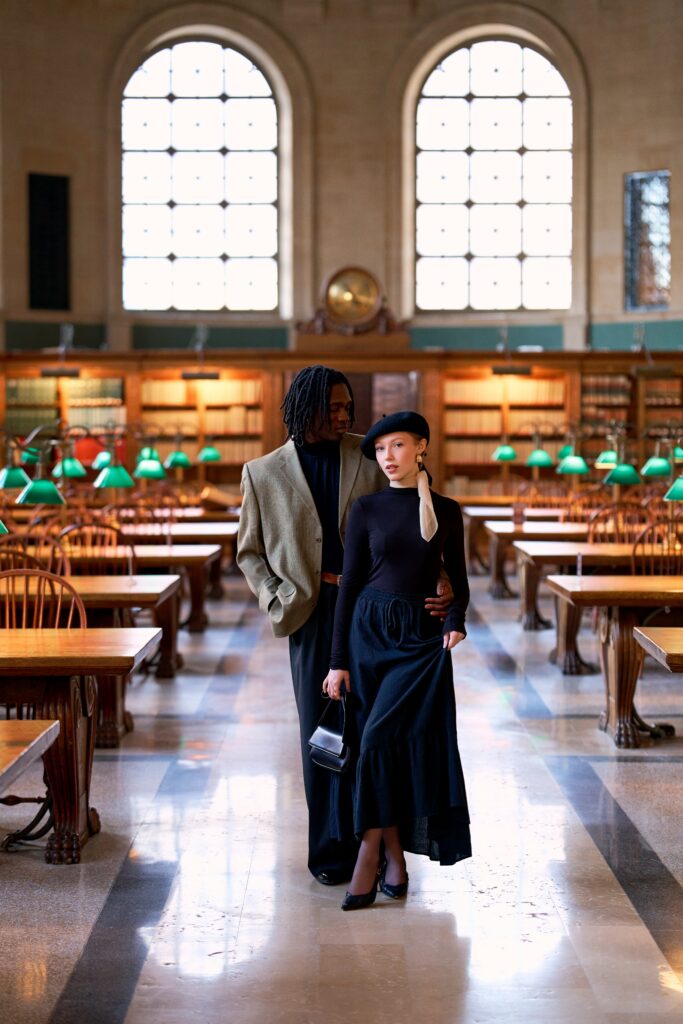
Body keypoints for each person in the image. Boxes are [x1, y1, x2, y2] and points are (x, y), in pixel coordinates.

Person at [237, 367, 452, 886]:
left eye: (346, 408)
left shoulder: (370, 454)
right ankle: (330, 851)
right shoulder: (261, 472)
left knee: (375, 734)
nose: (343, 416)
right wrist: (277, 596)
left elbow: (416, 519)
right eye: (333, 408)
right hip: (310, 617)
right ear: (305, 408)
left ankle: (375, 849)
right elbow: (249, 551)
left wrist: (441, 577)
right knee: (324, 734)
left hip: (374, 611)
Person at [322, 410, 471, 910]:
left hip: (421, 642)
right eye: (381, 450)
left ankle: (369, 854)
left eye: (399, 446)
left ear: (422, 447)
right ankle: (394, 858)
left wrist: (453, 619)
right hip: (368, 635)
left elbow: (462, 581)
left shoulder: (447, 510)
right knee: (371, 747)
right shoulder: (366, 509)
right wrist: (337, 661)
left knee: (388, 742)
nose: (388, 458)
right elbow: (349, 588)